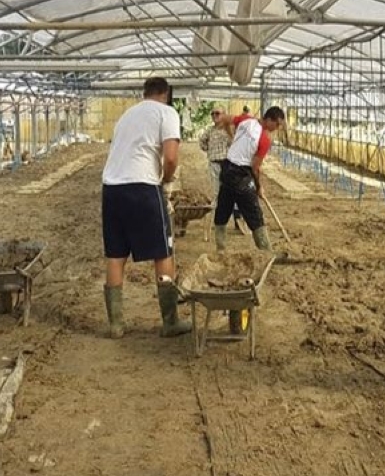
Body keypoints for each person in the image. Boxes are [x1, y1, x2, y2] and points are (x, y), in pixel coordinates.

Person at [101, 77, 193, 339]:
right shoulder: (167, 112)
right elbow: (172, 157)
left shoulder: (127, 115)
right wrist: (166, 179)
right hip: (143, 187)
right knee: (163, 253)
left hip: (111, 188)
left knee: (116, 254)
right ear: (165, 93)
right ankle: (170, 321)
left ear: (146, 92)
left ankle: (116, 325)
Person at [213, 106, 285, 252]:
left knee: (223, 208)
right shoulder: (264, 140)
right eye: (276, 124)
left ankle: (221, 249)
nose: (276, 128)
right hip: (241, 175)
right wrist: (259, 186)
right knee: (254, 212)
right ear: (269, 119)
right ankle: (266, 251)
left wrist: (233, 137)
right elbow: (255, 167)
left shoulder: (246, 120)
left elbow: (225, 119)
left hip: (227, 170)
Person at [198, 109, 244, 234]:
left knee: (234, 192)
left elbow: (237, 144)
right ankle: (218, 222)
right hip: (214, 164)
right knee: (217, 193)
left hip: (228, 164)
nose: (214, 116)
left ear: (224, 115)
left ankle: (238, 219)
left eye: (217, 113)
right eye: (212, 113)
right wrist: (209, 150)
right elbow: (202, 142)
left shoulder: (230, 130)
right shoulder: (210, 130)